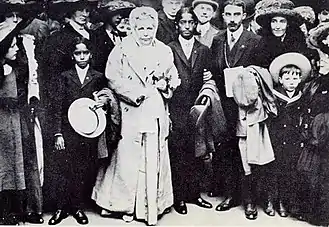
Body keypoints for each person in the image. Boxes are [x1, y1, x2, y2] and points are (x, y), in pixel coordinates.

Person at [91, 7, 180, 226]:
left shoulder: (164, 51)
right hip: (131, 109)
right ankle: (124, 204)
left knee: (154, 154)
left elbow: (174, 77)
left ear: (156, 28)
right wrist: (137, 93)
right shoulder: (121, 50)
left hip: (155, 108)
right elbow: (112, 78)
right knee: (128, 158)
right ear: (133, 28)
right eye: (140, 28)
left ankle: (152, 205)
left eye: (150, 28)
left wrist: (166, 84)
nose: (146, 32)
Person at [42, 0, 98, 211]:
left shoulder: (92, 36)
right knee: (62, 160)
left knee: (84, 160)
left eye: (87, 10)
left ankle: (79, 204)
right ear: (70, 12)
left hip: (86, 107)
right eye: (79, 10)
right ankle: (59, 206)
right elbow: (51, 75)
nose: (84, 13)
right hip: (64, 104)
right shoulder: (58, 38)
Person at [210, 0, 261, 218]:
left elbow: (261, 72)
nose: (231, 19)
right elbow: (214, 68)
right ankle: (231, 195)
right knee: (227, 150)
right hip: (224, 104)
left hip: (246, 105)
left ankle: (249, 201)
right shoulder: (218, 39)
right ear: (223, 16)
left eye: (236, 14)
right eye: (228, 14)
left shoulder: (255, 41)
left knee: (246, 152)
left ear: (243, 16)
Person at [48, 37, 106, 225]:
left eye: (85, 53)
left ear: (90, 55)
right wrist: (58, 133)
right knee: (63, 169)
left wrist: (102, 103)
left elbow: (104, 101)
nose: (82, 57)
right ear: (72, 56)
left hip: (88, 131)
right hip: (67, 131)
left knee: (82, 170)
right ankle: (60, 208)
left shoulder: (97, 77)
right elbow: (57, 106)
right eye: (77, 53)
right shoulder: (64, 76)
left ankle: (78, 207)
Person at [167, 6, 213, 215]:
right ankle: (179, 198)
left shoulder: (203, 49)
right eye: (183, 22)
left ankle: (194, 194)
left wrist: (208, 78)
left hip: (196, 106)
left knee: (196, 150)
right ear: (177, 25)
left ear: (195, 25)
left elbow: (209, 74)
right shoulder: (169, 48)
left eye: (190, 23)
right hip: (176, 106)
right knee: (177, 151)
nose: (187, 26)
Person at [0, 17, 43, 225]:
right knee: (5, 165)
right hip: (3, 121)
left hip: (16, 119)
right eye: (12, 46)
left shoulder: (13, 68)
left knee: (19, 162)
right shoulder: (3, 70)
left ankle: (21, 209)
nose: (16, 49)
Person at [268, 53, 312, 218]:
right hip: (276, 138)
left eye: (295, 78)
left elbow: (303, 118)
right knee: (274, 171)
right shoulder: (275, 96)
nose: (291, 82)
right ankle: (272, 200)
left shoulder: (301, 97)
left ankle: (285, 202)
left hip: (293, 140)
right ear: (280, 80)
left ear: (300, 80)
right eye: (287, 78)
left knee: (289, 172)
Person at [92, 0, 136, 73]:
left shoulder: (126, 34)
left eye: (122, 13)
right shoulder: (96, 36)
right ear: (107, 15)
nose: (120, 16)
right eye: (115, 13)